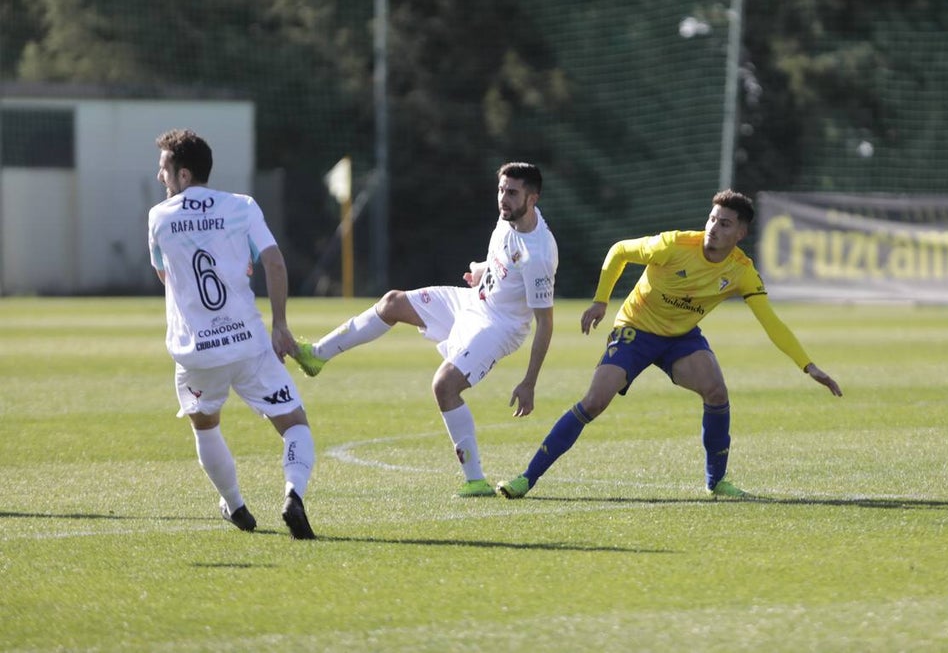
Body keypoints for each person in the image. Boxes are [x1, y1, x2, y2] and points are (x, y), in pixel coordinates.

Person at [496, 189, 841, 500]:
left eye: (724, 224)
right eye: (711, 219)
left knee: (717, 392)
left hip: (680, 339)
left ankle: (716, 482)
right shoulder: (674, 245)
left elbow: (772, 322)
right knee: (594, 401)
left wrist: (808, 366)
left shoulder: (742, 272)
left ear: (741, 233)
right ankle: (527, 478)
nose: (713, 228)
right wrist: (601, 301)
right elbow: (619, 252)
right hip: (635, 329)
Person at [291, 162, 558, 497]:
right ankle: (317, 355)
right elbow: (502, 259)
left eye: (512, 193)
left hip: (499, 326)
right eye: (501, 190)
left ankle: (475, 480)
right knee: (392, 303)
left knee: (444, 386)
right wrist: (481, 269)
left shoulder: (539, 255)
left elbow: (545, 322)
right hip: (473, 300)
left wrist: (530, 382)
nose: (503, 198)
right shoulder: (510, 217)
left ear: (531, 199)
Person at [148, 129, 317, 539]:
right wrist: (280, 324)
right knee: (294, 424)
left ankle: (235, 504)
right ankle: (293, 494)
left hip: (196, 353)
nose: (160, 178)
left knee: (205, 427)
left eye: (164, 169)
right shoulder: (242, 207)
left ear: (184, 174)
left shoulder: (159, 217)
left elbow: (163, 275)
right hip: (248, 344)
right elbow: (274, 262)